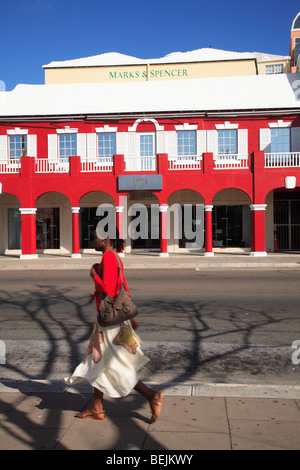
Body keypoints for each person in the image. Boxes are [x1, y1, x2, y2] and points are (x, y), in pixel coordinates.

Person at [64, 227, 163, 423]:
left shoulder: (109, 257)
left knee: (112, 364)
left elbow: (109, 288)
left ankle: (151, 396)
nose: (93, 241)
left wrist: (94, 274)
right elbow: (120, 285)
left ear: (104, 239)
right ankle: (97, 408)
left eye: (95, 238)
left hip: (108, 321)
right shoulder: (113, 257)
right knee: (96, 361)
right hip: (108, 319)